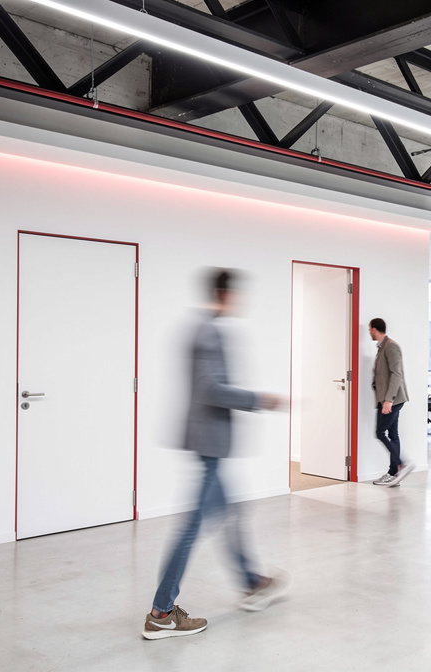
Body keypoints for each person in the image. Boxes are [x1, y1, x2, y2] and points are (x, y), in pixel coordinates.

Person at [143, 269, 289, 641]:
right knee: (192, 526)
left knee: (231, 512)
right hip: (209, 441)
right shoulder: (208, 331)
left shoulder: (199, 326)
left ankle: (251, 582)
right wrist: (260, 399)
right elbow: (210, 389)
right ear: (225, 293)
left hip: (208, 441)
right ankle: (161, 613)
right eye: (237, 294)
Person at [369, 317, 413, 486]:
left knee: (380, 432)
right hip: (387, 398)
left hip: (392, 399)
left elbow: (397, 374)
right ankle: (394, 473)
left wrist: (389, 400)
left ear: (374, 329)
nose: (369, 332)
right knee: (393, 434)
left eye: (370, 329)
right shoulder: (382, 347)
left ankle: (402, 464)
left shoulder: (391, 346)